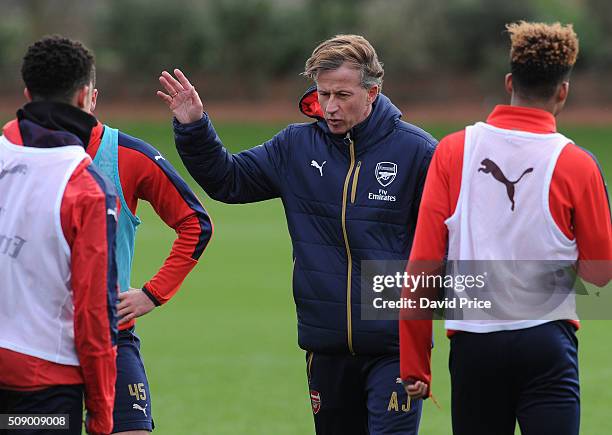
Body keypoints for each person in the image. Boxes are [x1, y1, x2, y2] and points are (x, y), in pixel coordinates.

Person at [158, 34, 437, 434]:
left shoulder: (418, 151)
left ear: (372, 92)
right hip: (325, 345)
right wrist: (194, 127)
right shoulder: (294, 146)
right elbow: (228, 181)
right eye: (323, 94)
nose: (330, 107)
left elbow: (453, 236)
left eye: (343, 94)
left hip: (394, 347)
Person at [399, 21, 612, 435]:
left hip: (475, 344)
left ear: (510, 81)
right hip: (547, 343)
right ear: (563, 91)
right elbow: (600, 273)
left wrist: (414, 361)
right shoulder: (578, 164)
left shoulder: (453, 151)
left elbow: (422, 264)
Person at [1, 36, 214, 434]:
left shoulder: (127, 157)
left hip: (109, 338)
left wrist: (152, 293)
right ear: (87, 96)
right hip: (43, 359)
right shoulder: (20, 160)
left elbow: (196, 223)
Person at [0, 37, 119, 434]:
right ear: (86, 96)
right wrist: (101, 416)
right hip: (44, 389)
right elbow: (94, 311)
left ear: (28, 94)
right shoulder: (85, 188)